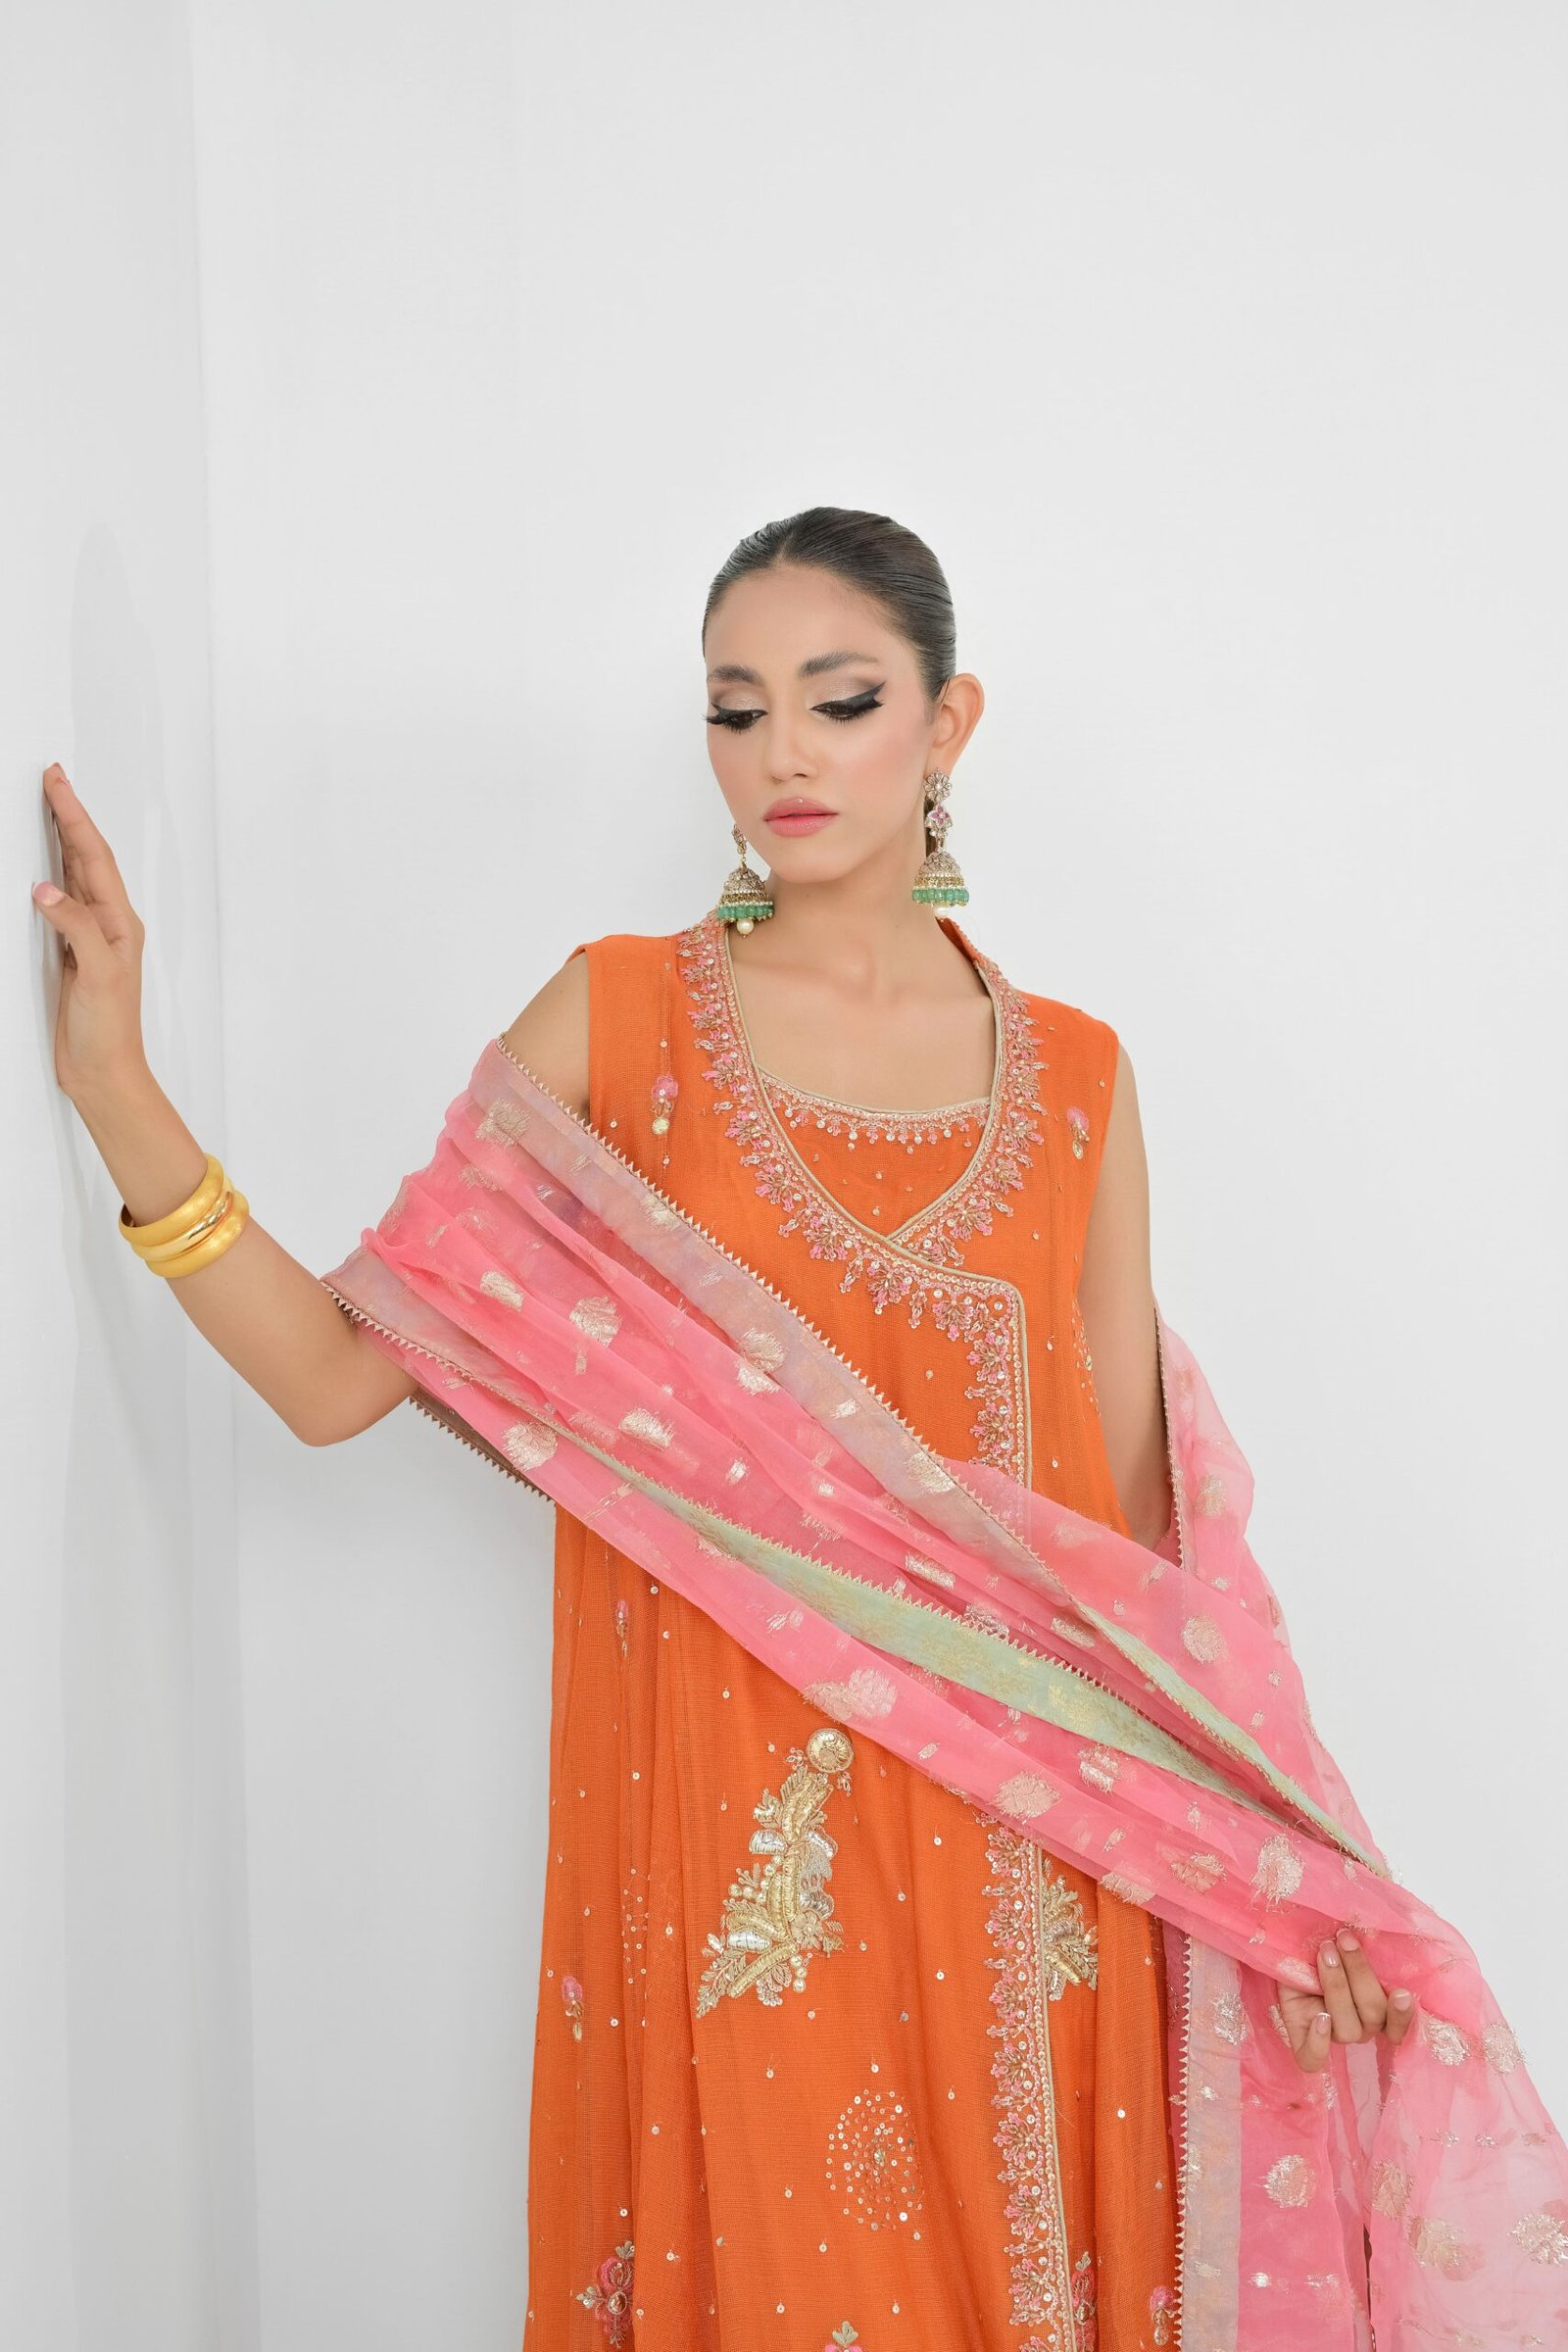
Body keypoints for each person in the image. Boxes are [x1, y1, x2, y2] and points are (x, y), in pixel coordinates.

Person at [33, 507, 1426, 2350]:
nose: (781, 753)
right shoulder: (622, 1025)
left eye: (839, 702)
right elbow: (330, 1381)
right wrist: (118, 1088)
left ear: (948, 724)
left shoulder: (1082, 1079)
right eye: (734, 707)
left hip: (1051, 1894)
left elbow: (1145, 1560)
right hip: (753, 1897)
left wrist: (1280, 1882)